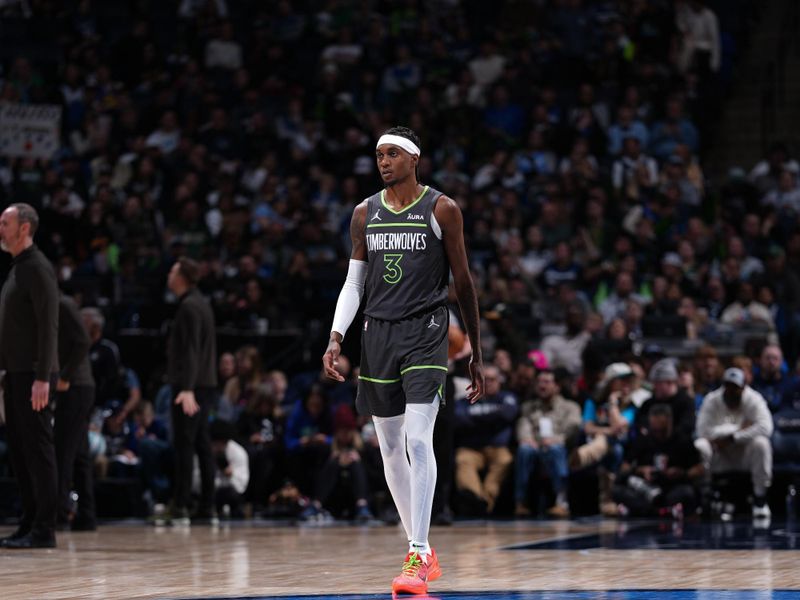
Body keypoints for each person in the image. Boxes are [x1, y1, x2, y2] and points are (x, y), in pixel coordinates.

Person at [322, 126, 484, 595]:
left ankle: (417, 550)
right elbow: (354, 284)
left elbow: (465, 283)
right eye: (378, 155)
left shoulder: (441, 209)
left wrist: (476, 350)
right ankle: (423, 551)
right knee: (389, 446)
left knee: (417, 438)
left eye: (392, 153)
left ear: (414, 159)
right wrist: (336, 338)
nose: (383, 161)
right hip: (377, 334)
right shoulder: (363, 214)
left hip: (427, 332)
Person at [0, 203, 59, 548]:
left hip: (33, 377)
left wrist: (42, 376)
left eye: (5, 223)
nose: (1, 229)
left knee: (38, 451)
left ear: (25, 228)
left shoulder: (37, 268)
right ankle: (28, 522)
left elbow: (48, 327)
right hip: (16, 374)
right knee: (20, 452)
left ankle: (44, 529)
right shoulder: (17, 269)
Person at [166, 257, 218, 525]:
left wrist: (187, 388)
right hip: (204, 384)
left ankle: (182, 505)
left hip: (192, 386)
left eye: (173, 270)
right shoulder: (201, 303)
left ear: (183, 276)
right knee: (200, 444)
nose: (169, 275)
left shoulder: (189, 306)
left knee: (185, 445)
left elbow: (191, 351)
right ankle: (207, 506)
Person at [695, 368, 773, 521]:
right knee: (701, 445)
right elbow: (702, 431)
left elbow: (766, 428)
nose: (731, 391)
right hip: (720, 453)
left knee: (762, 443)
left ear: (743, 387)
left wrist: (734, 437)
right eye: (728, 387)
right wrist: (739, 429)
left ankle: (760, 499)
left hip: (744, 453)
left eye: (735, 388)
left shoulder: (754, 399)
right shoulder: (711, 400)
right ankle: (706, 495)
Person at [612, 404, 703, 519]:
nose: (658, 434)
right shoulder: (644, 439)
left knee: (688, 493)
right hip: (646, 489)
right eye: (655, 430)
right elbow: (625, 467)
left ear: (669, 422)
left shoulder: (682, 440)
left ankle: (647, 511)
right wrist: (641, 470)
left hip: (671, 488)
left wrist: (682, 473)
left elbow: (699, 468)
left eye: (662, 430)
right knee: (618, 491)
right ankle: (658, 511)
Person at [54, 293, 97, 531]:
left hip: (75, 386)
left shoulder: (63, 304)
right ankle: (87, 515)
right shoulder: (59, 304)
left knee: (63, 451)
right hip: (80, 386)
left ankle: (59, 515)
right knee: (80, 455)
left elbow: (83, 341)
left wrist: (65, 376)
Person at [514, 369, 581, 518]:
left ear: (557, 386)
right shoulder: (528, 407)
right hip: (536, 447)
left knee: (555, 449)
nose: (542, 386)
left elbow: (573, 428)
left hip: (560, 448)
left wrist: (557, 439)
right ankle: (521, 502)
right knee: (524, 450)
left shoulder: (570, 407)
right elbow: (523, 425)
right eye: (539, 382)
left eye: (547, 382)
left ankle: (561, 502)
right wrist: (527, 439)